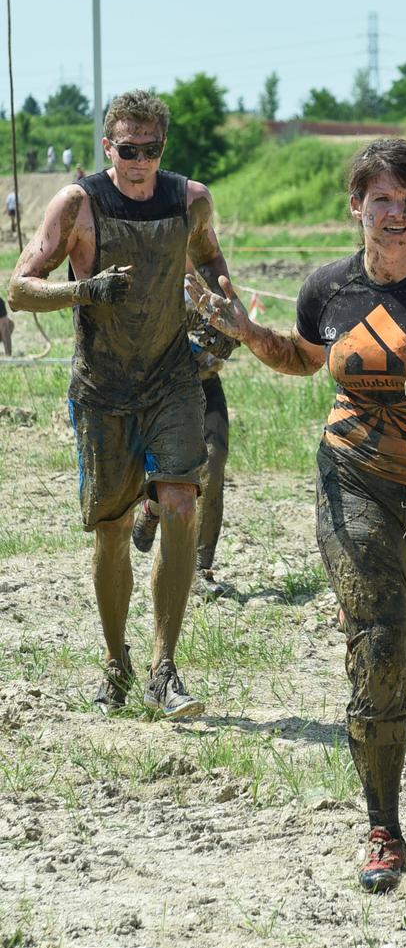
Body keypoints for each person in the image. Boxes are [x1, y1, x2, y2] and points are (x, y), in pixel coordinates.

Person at [187, 138, 406, 891]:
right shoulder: (327, 287)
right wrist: (244, 330)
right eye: (382, 200)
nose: (396, 215)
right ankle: (384, 828)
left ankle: (387, 645)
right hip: (353, 480)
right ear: (356, 206)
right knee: (379, 646)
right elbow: (303, 358)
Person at [9, 89, 232, 719]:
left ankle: (166, 668)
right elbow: (20, 289)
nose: (139, 160)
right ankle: (117, 664)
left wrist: (225, 312)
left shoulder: (190, 200)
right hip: (103, 390)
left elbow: (211, 257)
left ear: (164, 147)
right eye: (127, 149)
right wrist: (86, 290)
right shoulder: (78, 203)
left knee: (181, 502)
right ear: (108, 146)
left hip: (172, 380)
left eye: (151, 149)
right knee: (110, 533)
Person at [131, 275, 238, 599]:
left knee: (213, 468)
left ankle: (199, 568)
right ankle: (152, 507)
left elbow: (233, 338)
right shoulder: (151, 276)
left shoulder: (212, 276)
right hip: (165, 391)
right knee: (172, 476)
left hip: (206, 384)